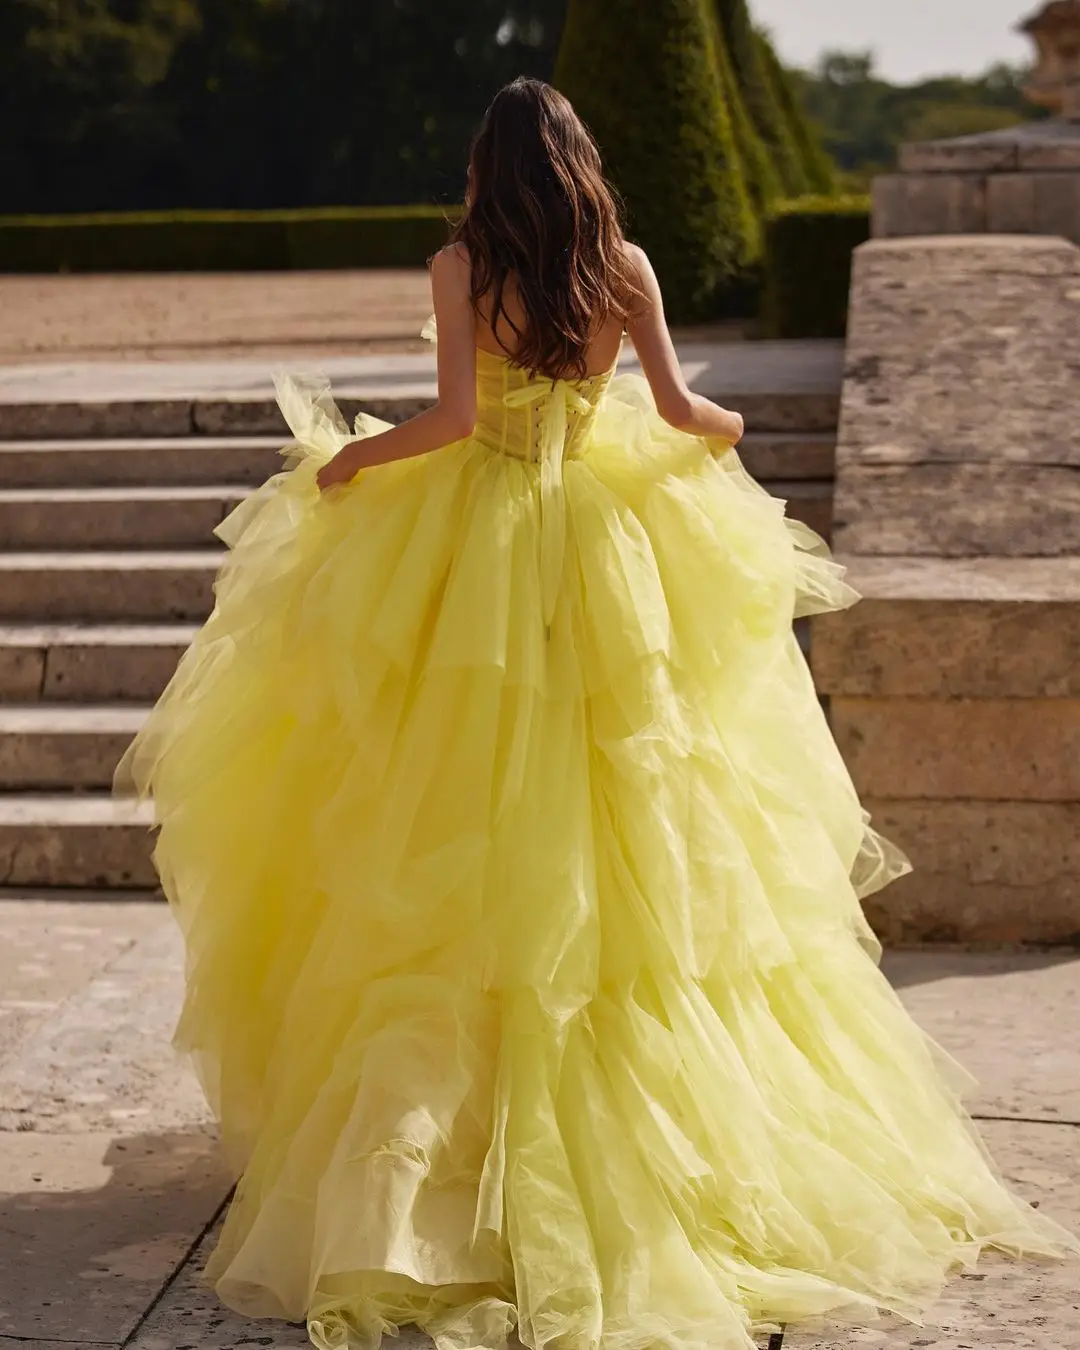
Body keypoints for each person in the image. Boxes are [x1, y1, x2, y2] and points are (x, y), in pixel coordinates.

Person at [115, 76, 1079, 1350]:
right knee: (629, 803)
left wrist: (351, 457)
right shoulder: (621, 261)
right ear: (578, 162)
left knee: (456, 806)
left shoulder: (463, 263)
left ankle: (437, 1160)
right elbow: (683, 415)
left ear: (487, 167)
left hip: (485, 548)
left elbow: (457, 421)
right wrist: (736, 433)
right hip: (605, 547)